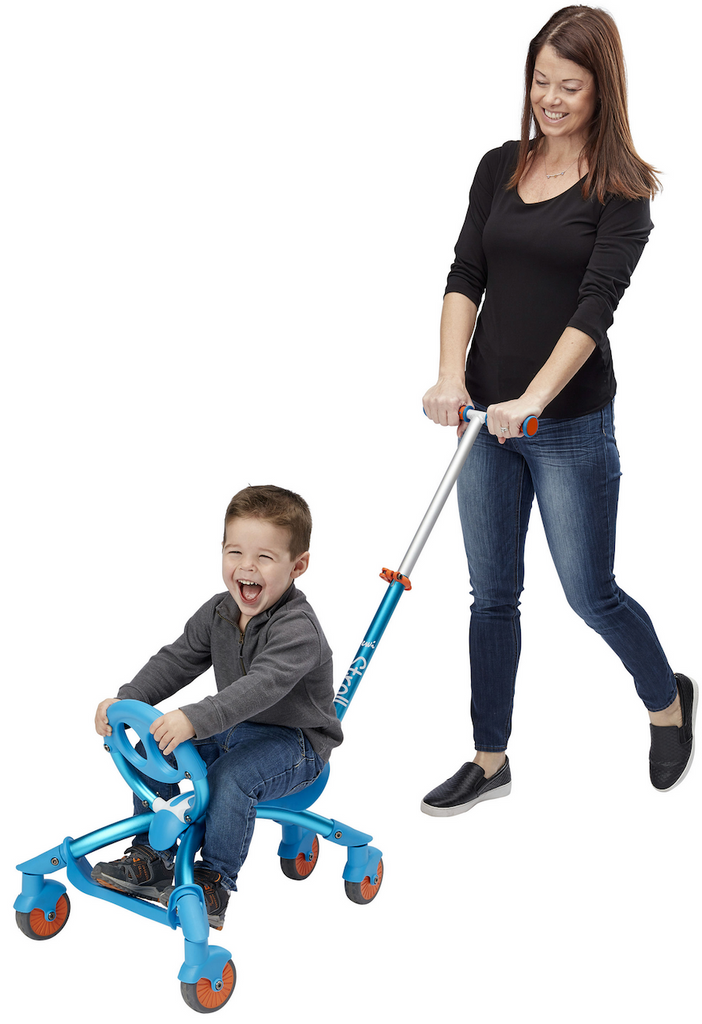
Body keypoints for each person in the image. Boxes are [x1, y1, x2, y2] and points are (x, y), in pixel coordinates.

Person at [420, 6, 696, 816]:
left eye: (569, 86)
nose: (550, 98)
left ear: (601, 90)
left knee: (589, 591)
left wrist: (533, 401)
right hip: (484, 423)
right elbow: (465, 272)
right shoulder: (499, 166)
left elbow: (593, 308)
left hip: (568, 423)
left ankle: (667, 699)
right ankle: (490, 758)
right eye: (540, 81)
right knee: (492, 593)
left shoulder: (624, 193)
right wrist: (450, 379)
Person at [92, 484, 342, 926]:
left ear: (297, 565)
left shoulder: (298, 629)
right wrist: (129, 699)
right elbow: (177, 659)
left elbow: (261, 686)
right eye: (234, 552)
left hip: (296, 744)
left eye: (265, 557)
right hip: (233, 729)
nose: (246, 566)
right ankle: (152, 856)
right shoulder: (218, 612)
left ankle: (214, 879)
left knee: (232, 777)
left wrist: (196, 717)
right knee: (158, 747)